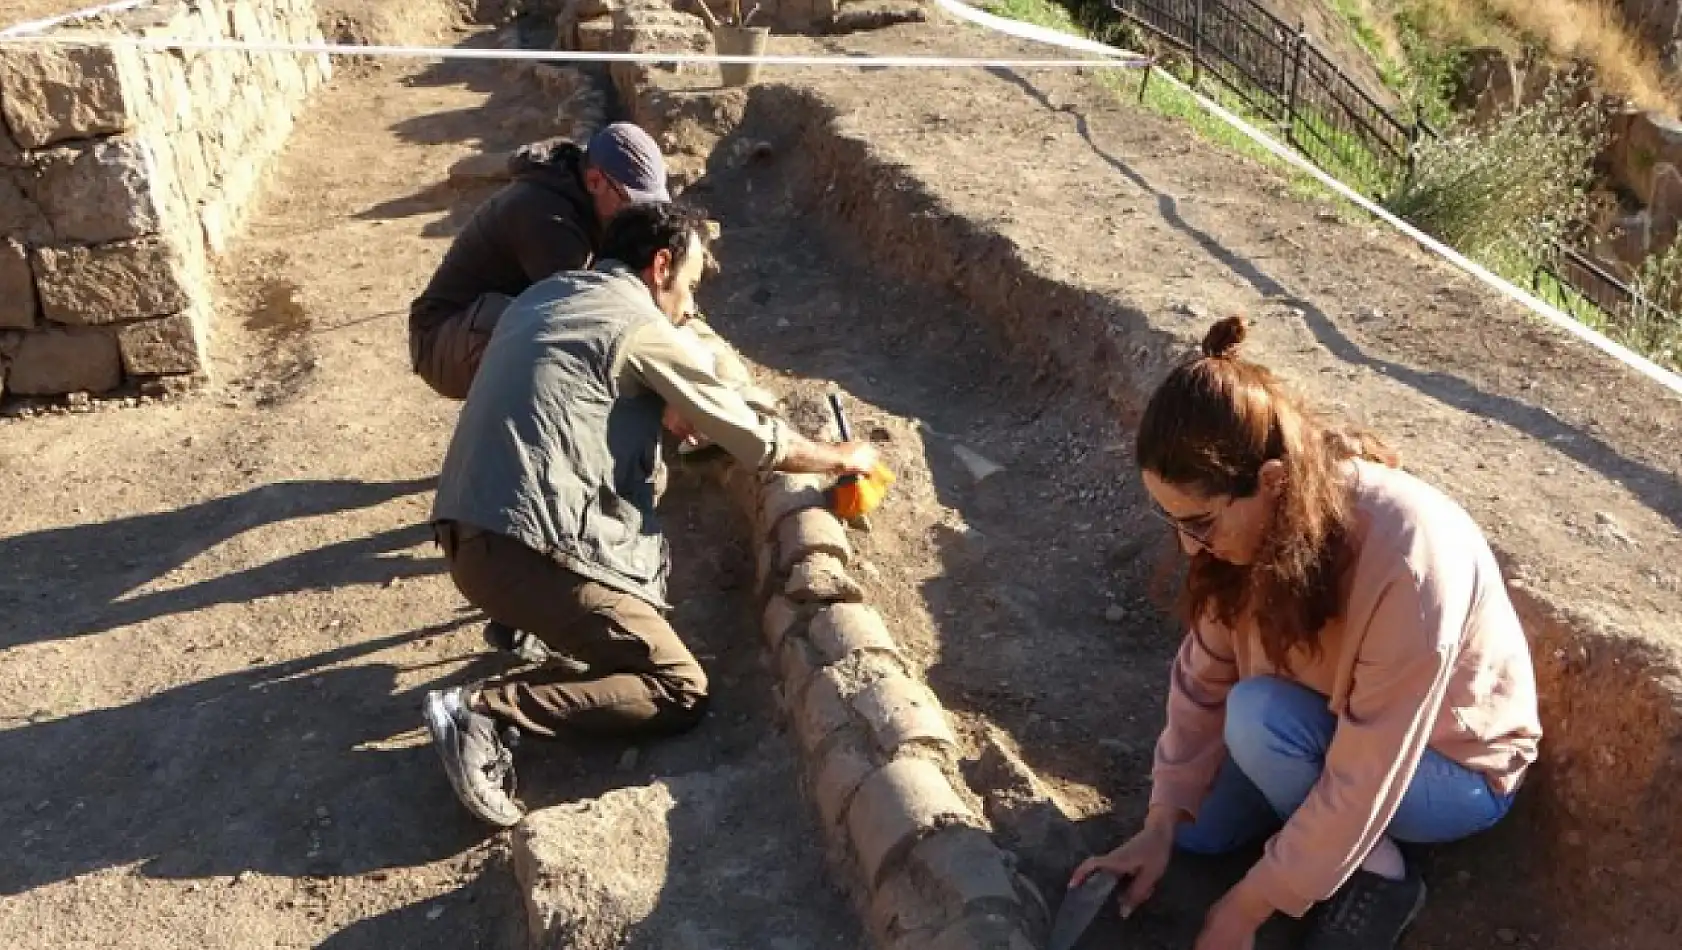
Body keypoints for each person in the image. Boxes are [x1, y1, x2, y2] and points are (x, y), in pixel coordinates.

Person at [1070, 316, 1542, 950]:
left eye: (1201, 523)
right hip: (1322, 726)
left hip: (1448, 769)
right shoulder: (1241, 538)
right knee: (1197, 829)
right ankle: (1302, 837)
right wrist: (1158, 825)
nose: (1188, 545)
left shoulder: (1407, 558)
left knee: (1257, 718)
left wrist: (1248, 907)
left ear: (1268, 483)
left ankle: (1383, 876)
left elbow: (1372, 768)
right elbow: (1201, 682)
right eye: (1172, 520)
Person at [420, 202, 881, 827]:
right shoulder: (639, 325)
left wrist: (655, 405)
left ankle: (533, 621)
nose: (689, 307)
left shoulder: (549, 295)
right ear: (660, 265)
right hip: (519, 548)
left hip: (467, 530)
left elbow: (571, 390)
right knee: (678, 687)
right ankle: (485, 713)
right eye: (688, 286)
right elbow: (752, 437)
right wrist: (837, 456)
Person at [406, 122, 671, 401]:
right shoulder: (544, 215)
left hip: (479, 323)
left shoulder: (582, 198)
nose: (641, 216)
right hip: (441, 341)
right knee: (563, 339)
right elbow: (586, 314)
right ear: (594, 181)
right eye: (632, 204)